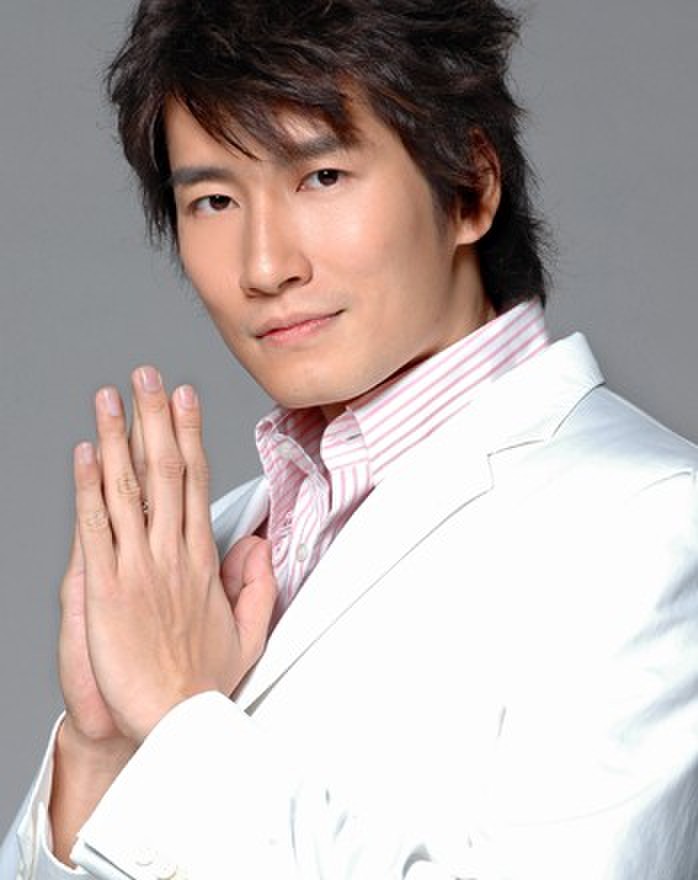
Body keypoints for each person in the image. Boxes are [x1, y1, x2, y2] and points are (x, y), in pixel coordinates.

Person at [2, 0, 698, 877]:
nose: (265, 265)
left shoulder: (655, 525)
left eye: (322, 177)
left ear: (470, 186)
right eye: (213, 199)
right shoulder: (211, 549)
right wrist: (103, 749)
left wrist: (179, 726)